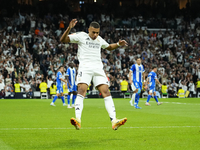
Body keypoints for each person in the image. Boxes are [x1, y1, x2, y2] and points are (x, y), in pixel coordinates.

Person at [60, 19, 127, 130]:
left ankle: (114, 121)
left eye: (97, 33)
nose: (95, 35)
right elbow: (63, 40)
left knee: (106, 91)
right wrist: (69, 28)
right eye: (93, 32)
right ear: (89, 30)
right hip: (85, 67)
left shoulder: (99, 39)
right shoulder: (81, 36)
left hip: (98, 68)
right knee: (81, 90)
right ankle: (78, 120)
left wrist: (118, 44)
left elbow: (109, 47)